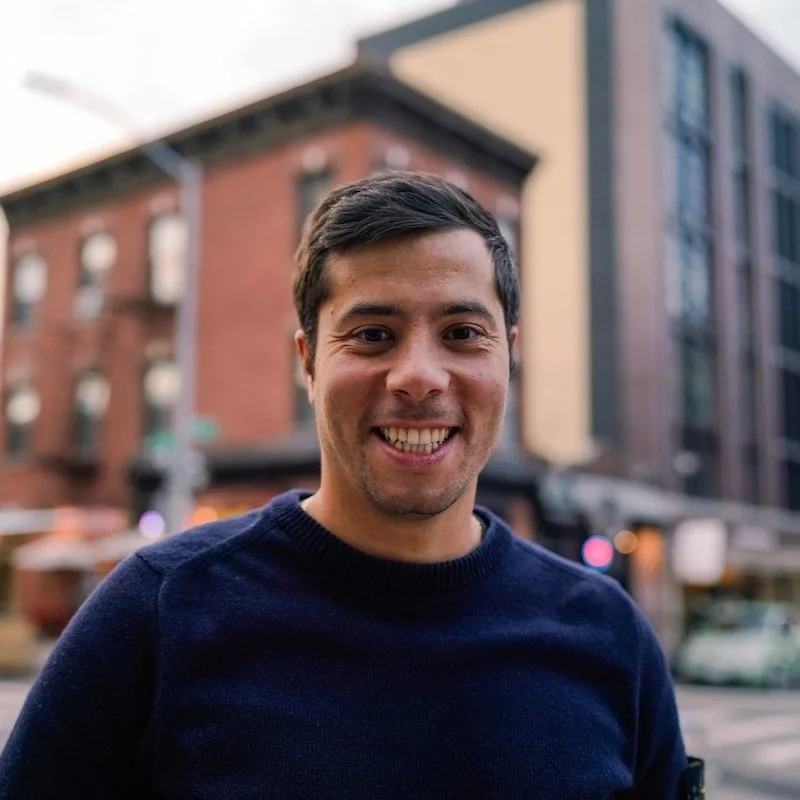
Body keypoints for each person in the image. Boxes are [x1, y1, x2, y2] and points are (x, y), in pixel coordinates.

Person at [0, 172, 702, 799]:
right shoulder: (158, 611)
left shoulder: (609, 634)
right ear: (307, 363)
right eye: (371, 334)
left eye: (462, 332)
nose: (419, 375)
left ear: (509, 358)